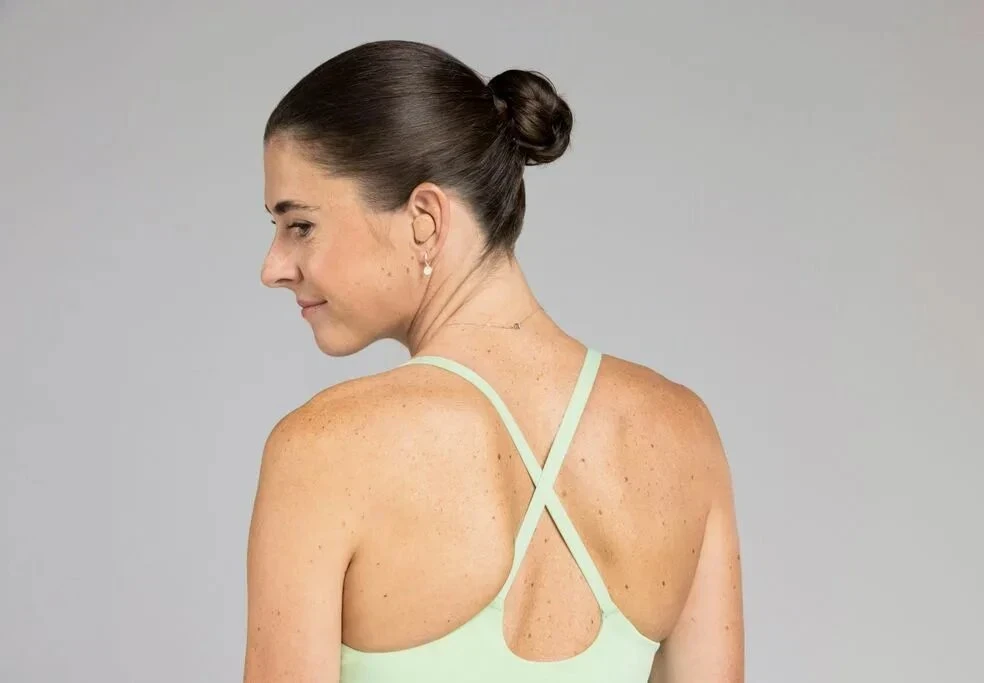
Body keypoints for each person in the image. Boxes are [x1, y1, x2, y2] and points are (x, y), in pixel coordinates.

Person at [243, 40, 743, 683]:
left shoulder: (323, 447)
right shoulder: (683, 433)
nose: (273, 268)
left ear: (425, 218)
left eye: (300, 225)